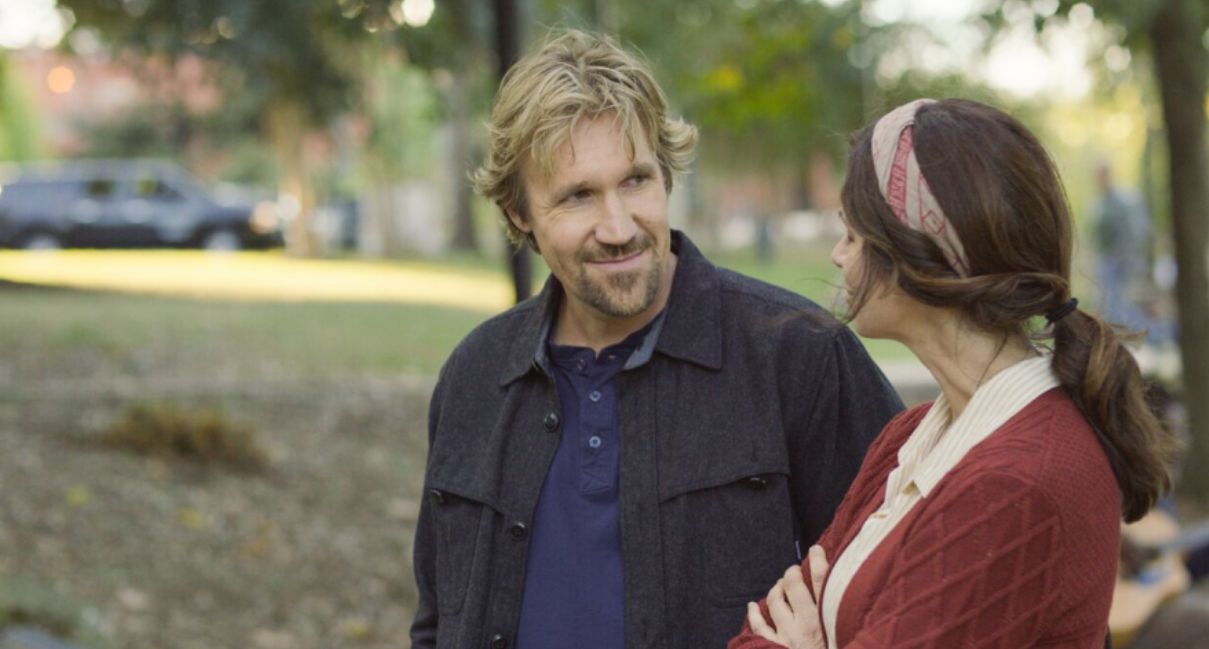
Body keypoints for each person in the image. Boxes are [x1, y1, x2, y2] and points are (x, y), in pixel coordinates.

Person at [409, 30, 903, 649]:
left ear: (666, 176)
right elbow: (436, 620)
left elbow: (909, 588)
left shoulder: (799, 353)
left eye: (636, 180)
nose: (619, 228)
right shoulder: (473, 376)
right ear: (519, 212)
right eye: (578, 196)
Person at [731, 99, 1178, 649]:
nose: (837, 256)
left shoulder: (1014, 486)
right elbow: (760, 628)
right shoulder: (914, 435)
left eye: (851, 235)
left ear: (917, 253)